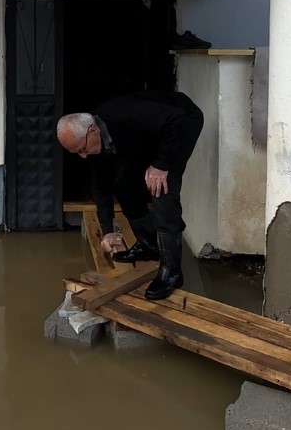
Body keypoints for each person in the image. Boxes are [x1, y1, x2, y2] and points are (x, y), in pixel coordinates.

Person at [56, 90, 204, 300]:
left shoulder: (123, 114)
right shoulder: (94, 143)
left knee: (161, 189)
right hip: (147, 136)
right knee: (124, 184)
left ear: (93, 131)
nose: (83, 155)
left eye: (82, 148)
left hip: (182, 121)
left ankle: (172, 272)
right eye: (77, 152)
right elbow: (101, 186)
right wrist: (107, 230)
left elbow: (176, 119)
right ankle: (149, 245)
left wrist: (160, 165)